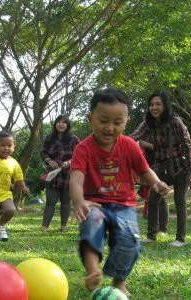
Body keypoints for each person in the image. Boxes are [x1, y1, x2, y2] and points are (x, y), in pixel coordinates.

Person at [69, 88, 169, 296]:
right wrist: (79, 201)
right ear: (90, 119)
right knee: (91, 227)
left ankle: (119, 280)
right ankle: (93, 271)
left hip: (124, 204)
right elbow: (76, 178)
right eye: (103, 121)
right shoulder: (83, 149)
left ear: (126, 121)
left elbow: (143, 169)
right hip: (94, 203)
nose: (109, 128)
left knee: (129, 240)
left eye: (117, 122)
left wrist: (156, 183)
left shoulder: (129, 145)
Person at [129, 91, 191, 247]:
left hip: (180, 165)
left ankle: (180, 239)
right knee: (152, 199)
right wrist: (117, 138)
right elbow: (135, 135)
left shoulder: (175, 121)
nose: (154, 107)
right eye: (152, 104)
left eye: (158, 104)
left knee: (180, 201)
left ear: (165, 105)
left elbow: (187, 146)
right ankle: (151, 235)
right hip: (160, 165)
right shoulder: (148, 122)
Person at [40, 115, 80, 233]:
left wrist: (69, 162)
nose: (61, 124)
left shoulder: (74, 139)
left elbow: (80, 155)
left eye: (64, 122)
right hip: (52, 174)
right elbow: (43, 152)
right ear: (55, 124)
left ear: (67, 125)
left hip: (68, 175)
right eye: (58, 122)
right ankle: (45, 226)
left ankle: (63, 226)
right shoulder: (49, 137)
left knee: (66, 202)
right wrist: (49, 161)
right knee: (50, 202)